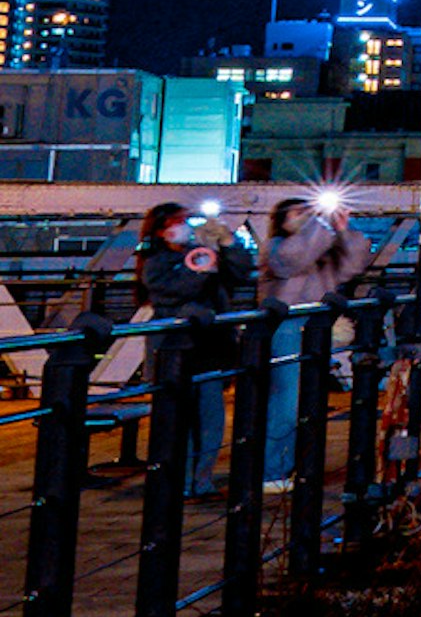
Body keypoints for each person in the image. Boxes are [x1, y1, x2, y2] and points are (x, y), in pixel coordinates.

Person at [133, 202, 256, 499]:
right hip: (177, 348)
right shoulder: (156, 261)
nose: (183, 227)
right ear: (160, 231)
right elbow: (171, 290)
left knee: (211, 417)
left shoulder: (201, 250)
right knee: (180, 418)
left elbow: (241, 273)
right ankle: (180, 480)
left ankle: (201, 479)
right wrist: (203, 268)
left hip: (211, 345)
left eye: (186, 220)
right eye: (176, 222)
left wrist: (228, 243)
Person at [257, 198, 383, 483]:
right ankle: (272, 471)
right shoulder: (275, 246)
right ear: (282, 219)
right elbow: (293, 259)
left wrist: (341, 229)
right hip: (286, 327)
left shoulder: (322, 249)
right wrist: (319, 226)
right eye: (299, 213)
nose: (308, 218)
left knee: (309, 402)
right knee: (286, 402)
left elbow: (354, 264)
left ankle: (297, 467)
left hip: (315, 327)